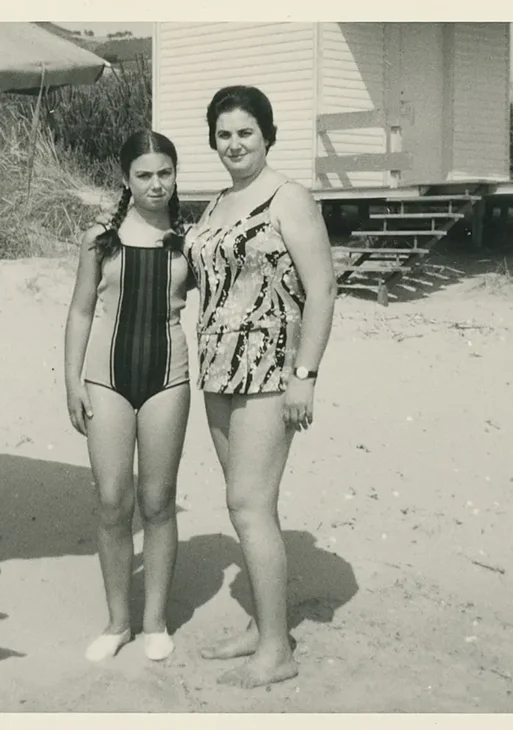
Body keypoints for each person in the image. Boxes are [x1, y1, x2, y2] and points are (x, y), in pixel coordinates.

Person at [183, 85, 338, 688]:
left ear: (267, 135)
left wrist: (306, 375)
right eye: (223, 134)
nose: (234, 144)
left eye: (245, 132)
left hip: (272, 372)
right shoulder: (218, 202)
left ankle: (277, 651)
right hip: (218, 371)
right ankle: (262, 624)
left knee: (247, 506)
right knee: (248, 505)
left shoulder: (289, 198)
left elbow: (322, 290)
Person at [64, 130, 192, 663]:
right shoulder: (100, 237)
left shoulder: (190, 239)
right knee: (114, 503)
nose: (156, 184)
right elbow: (80, 311)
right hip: (106, 378)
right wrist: (70, 380)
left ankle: (155, 622)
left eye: (164, 172)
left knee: (157, 503)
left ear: (174, 175)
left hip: (169, 377)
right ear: (126, 179)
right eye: (144, 174)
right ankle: (118, 623)